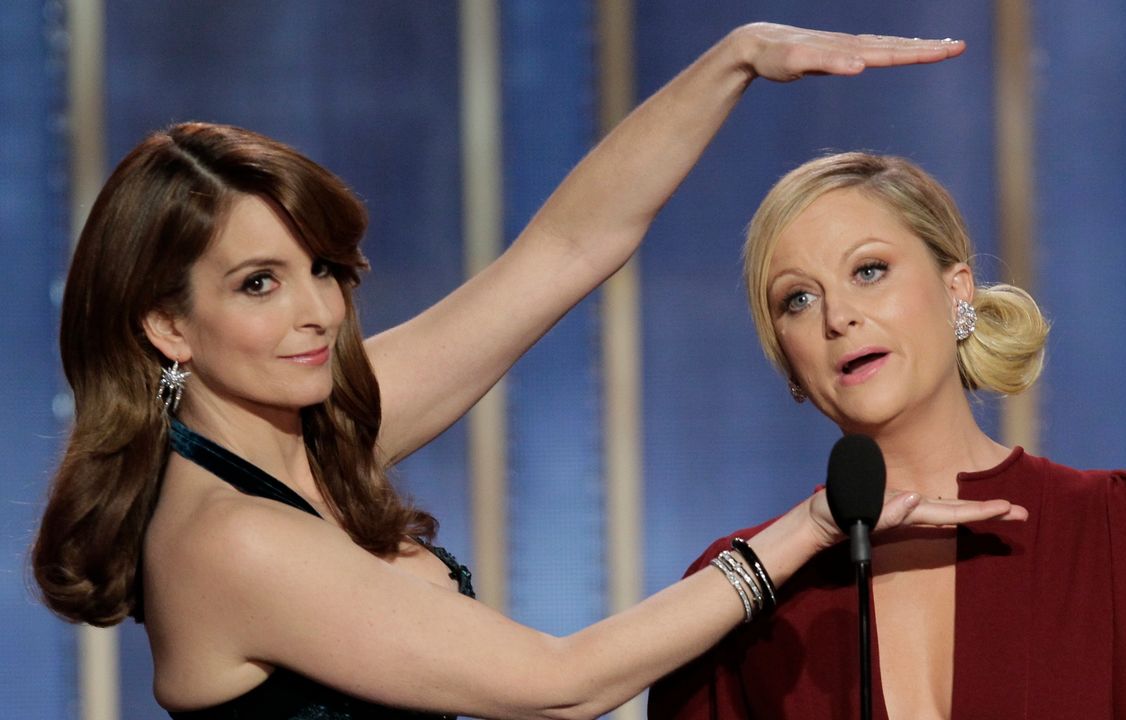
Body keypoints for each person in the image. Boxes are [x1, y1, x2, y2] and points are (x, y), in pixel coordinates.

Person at [28, 24, 1024, 720]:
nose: (315, 313)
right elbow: (562, 684)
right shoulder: (228, 538)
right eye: (257, 283)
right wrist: (808, 529)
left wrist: (733, 61)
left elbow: (563, 251)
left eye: (321, 271)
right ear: (169, 325)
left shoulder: (321, 429)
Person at [646, 152, 1126, 719]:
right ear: (788, 362)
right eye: (799, 298)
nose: (837, 316)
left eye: (868, 271)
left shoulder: (1122, 533)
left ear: (957, 290)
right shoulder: (734, 591)